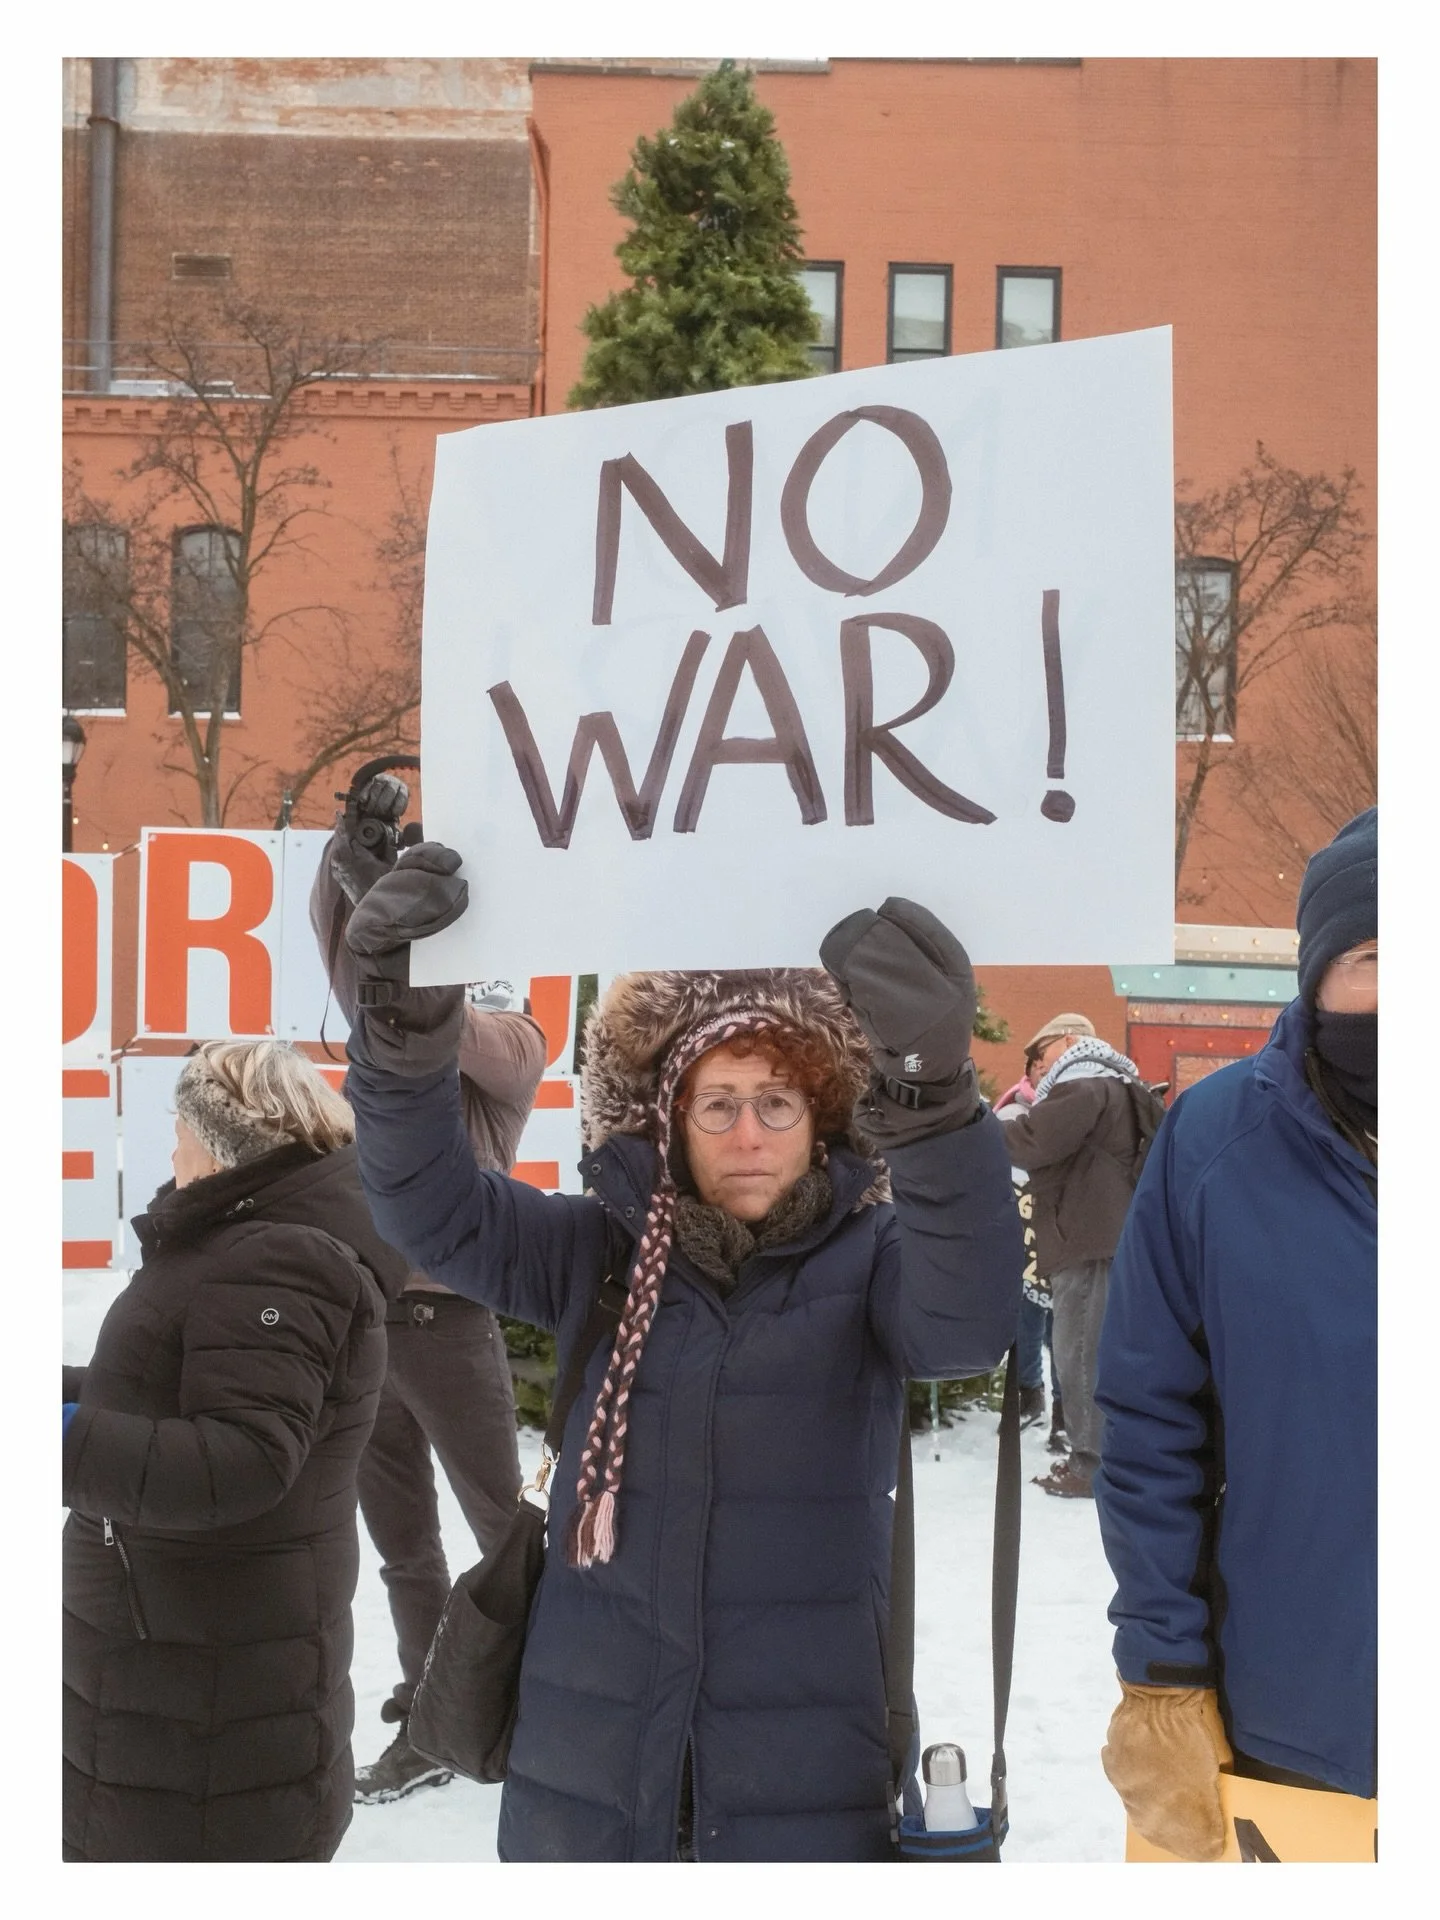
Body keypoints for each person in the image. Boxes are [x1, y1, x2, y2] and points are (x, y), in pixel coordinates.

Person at [339, 857, 1023, 1862]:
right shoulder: (594, 1255)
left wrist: (932, 1094)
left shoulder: (873, 1262)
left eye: (778, 1103)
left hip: (810, 1780)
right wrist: (404, 1039)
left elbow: (965, 1321)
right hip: (591, 1780)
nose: (749, 1132)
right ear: (671, 1121)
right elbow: (429, 1210)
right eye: (718, 1103)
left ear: (821, 1119)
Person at [1093, 808, 1377, 1861]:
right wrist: (1163, 1681)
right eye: (1373, 957)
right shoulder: (1216, 1145)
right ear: (1314, 977)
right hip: (1292, 1730)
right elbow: (1149, 1421)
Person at [62, 1040, 408, 1862]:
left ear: (222, 1138)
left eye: (179, 1123)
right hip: (186, 1669)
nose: (171, 1143)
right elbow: (167, 1383)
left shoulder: (279, 1257)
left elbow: (240, 1460)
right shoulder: (252, 1238)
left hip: (209, 1701)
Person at [310, 771, 546, 1804]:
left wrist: (401, 954)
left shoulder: (511, 1017)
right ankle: (428, 1703)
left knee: (501, 1518)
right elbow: (348, 967)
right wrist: (344, 876)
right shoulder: (397, 988)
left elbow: (465, 1039)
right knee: (402, 1540)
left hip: (448, 1316)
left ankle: (544, 1688)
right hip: (368, 1311)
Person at [997, 1013, 1157, 1499]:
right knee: (1099, 1353)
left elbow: (1031, 1142)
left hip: (1087, 1239)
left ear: (1069, 1042)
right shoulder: (1121, 1083)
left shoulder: (1083, 1083)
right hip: (1112, 1237)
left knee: (1080, 1353)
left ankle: (1090, 1465)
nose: (1038, 1071)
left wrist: (974, 1126)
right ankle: (1107, 1458)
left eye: (1041, 1058)